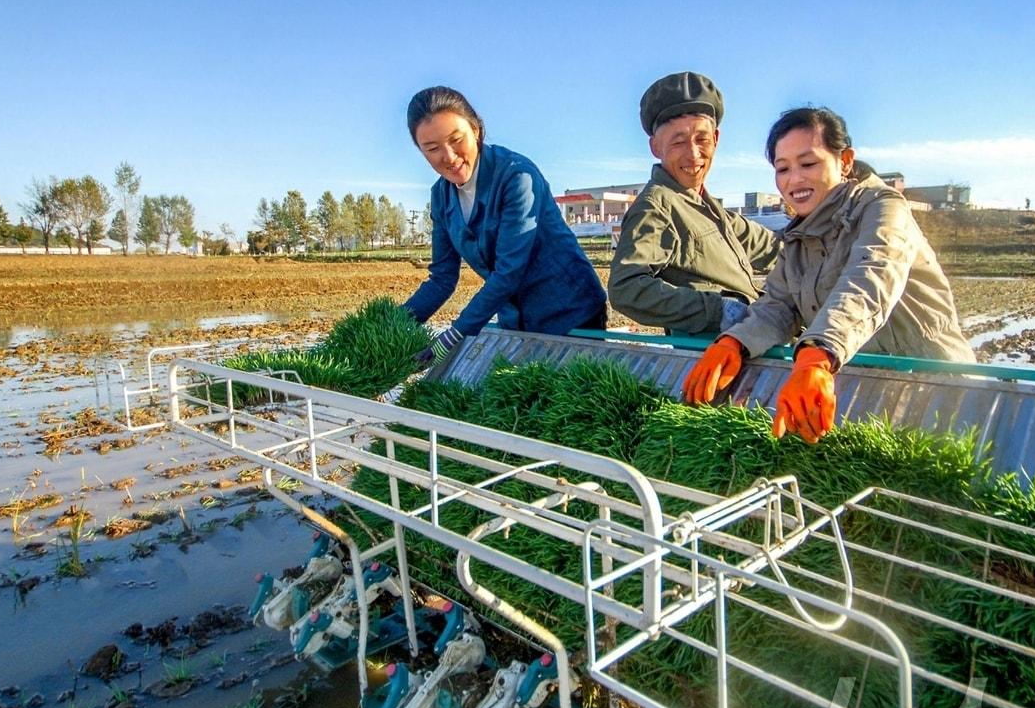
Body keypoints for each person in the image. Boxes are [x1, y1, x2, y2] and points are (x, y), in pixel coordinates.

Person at [683, 106, 973, 443]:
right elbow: (777, 305)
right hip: (869, 391)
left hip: (937, 388)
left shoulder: (883, 208)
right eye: (783, 169)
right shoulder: (798, 239)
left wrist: (816, 357)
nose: (794, 180)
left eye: (808, 164)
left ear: (845, 160)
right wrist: (734, 342)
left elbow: (869, 279)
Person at [402, 86, 606, 366]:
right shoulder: (441, 196)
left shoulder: (516, 176)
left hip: (569, 312)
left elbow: (508, 271)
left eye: (455, 139)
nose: (448, 157)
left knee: (569, 401)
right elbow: (442, 278)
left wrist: (455, 335)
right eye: (432, 149)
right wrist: (394, 323)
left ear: (475, 129)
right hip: (516, 319)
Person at [608, 72, 779, 335]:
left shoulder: (710, 209)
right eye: (678, 141)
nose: (694, 154)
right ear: (655, 146)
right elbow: (627, 288)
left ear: (717, 139)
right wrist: (720, 311)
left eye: (702, 139)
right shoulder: (657, 206)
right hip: (711, 359)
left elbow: (774, 247)